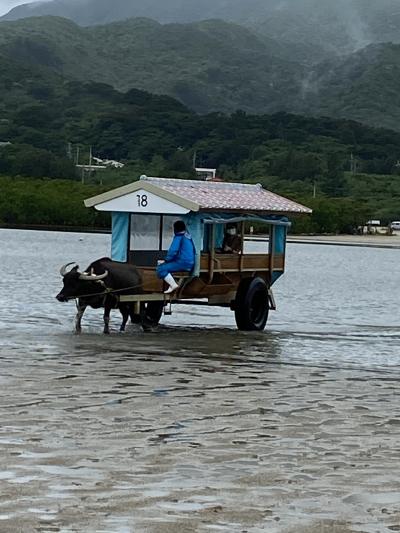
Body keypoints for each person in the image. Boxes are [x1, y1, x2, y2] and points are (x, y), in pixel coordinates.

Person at [156, 220, 196, 294]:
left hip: (182, 263)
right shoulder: (188, 236)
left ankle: (173, 285)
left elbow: (173, 251)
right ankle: (172, 284)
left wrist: (166, 260)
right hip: (191, 263)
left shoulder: (179, 237)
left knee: (161, 268)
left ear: (175, 229)